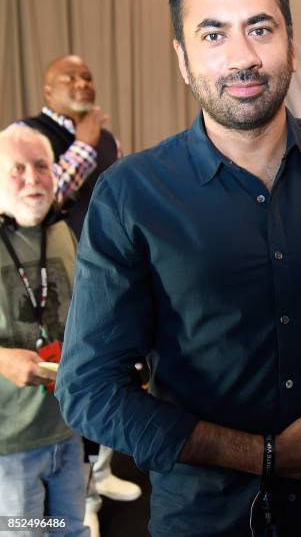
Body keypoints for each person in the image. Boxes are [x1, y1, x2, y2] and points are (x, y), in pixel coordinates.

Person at [56, 0, 301, 537]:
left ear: (291, 40)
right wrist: (267, 455)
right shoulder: (131, 194)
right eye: (213, 35)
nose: (242, 57)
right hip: (205, 519)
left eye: (260, 28)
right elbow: (90, 391)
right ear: (182, 58)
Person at [16, 55, 141, 535]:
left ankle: (101, 474)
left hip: (110, 275)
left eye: (87, 75)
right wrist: (85, 147)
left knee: (114, 374)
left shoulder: (108, 139)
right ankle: (75, 496)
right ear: (47, 92)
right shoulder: (28, 135)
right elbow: (37, 200)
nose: (81, 82)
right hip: (51, 281)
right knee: (71, 381)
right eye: (68, 77)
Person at [0, 125, 88, 536]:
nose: (32, 179)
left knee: (69, 530)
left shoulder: (62, 231)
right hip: (9, 447)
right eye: (16, 169)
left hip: (67, 431)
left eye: (41, 166)